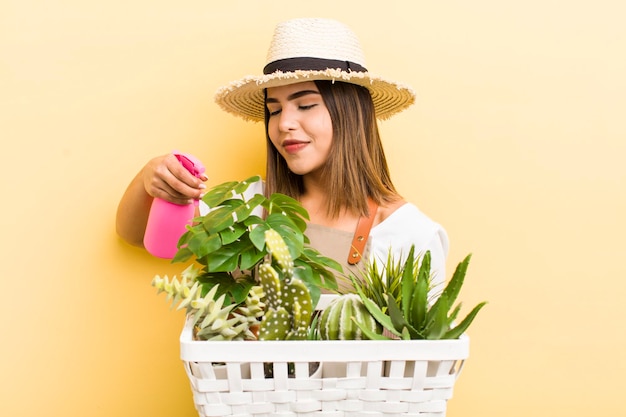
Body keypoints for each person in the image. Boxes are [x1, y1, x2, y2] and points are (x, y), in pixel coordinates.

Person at [116, 17, 449, 291]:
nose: (284, 123)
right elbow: (134, 235)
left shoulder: (408, 233)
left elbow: (422, 361)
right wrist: (150, 178)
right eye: (274, 110)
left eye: (305, 105)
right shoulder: (249, 206)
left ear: (351, 113)